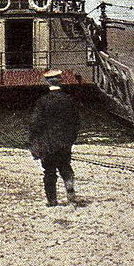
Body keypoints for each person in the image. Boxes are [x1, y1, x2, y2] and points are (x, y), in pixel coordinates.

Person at [28, 69, 81, 207]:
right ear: (60, 81)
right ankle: (70, 192)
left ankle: (52, 200)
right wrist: (71, 139)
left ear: (47, 82)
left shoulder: (42, 102)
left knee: (49, 172)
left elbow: (35, 124)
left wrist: (34, 142)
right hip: (65, 142)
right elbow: (76, 122)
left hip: (48, 143)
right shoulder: (69, 100)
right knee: (66, 167)